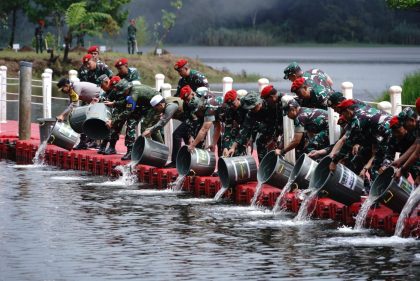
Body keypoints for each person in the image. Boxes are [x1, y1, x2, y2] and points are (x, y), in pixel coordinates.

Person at [329, 99, 391, 181]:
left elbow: (348, 143)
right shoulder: (362, 107)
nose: (343, 116)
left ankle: (384, 190)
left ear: (348, 111)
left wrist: (334, 162)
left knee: (376, 168)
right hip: (383, 134)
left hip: (390, 135)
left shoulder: (357, 120)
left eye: (342, 113)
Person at [105, 81, 161, 160]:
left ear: (126, 89)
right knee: (131, 123)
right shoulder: (130, 92)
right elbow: (126, 102)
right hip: (142, 106)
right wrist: (114, 104)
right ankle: (130, 151)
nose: (122, 94)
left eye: (123, 92)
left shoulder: (134, 92)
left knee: (145, 127)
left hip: (154, 106)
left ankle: (155, 150)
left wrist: (113, 121)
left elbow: (128, 111)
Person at [226, 91, 283, 161]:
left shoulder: (271, 104)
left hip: (279, 125)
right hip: (266, 124)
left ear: (258, 103)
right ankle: (263, 165)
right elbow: (244, 129)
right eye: (250, 108)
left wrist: (275, 138)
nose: (251, 110)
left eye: (253, 107)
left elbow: (279, 121)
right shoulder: (251, 112)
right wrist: (233, 147)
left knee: (276, 145)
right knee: (260, 142)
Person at [56, 78, 101, 150]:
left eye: (62, 89)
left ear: (66, 85)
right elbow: (70, 104)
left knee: (83, 118)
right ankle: (84, 142)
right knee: (81, 118)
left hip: (100, 99)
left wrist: (62, 115)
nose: (62, 91)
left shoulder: (76, 87)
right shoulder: (71, 88)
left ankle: (96, 142)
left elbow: (74, 104)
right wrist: (64, 115)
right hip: (92, 101)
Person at [179, 86, 223, 153]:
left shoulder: (210, 107)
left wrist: (192, 145)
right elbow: (217, 126)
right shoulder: (192, 105)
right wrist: (191, 136)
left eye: (187, 99)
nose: (186, 101)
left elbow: (204, 129)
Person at [221, 89, 249, 156]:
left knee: (238, 148)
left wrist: (234, 146)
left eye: (233, 104)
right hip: (239, 127)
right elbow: (228, 128)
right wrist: (225, 147)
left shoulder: (246, 107)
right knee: (227, 145)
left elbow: (245, 129)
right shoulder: (229, 109)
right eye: (229, 105)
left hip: (249, 128)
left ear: (238, 99)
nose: (231, 106)